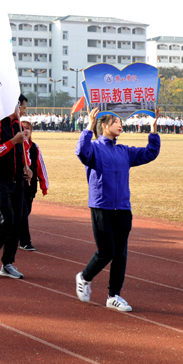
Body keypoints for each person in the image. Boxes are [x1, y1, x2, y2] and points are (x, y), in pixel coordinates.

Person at [74, 107, 160, 312]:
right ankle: (84, 277)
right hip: (101, 206)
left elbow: (150, 153)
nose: (120, 125)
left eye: (120, 122)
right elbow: (81, 152)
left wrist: (153, 130)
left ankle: (114, 296)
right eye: (115, 122)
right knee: (106, 252)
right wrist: (88, 126)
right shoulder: (94, 148)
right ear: (104, 126)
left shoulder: (125, 151)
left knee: (120, 254)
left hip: (122, 208)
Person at [0, 94, 30, 279]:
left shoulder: (18, 126)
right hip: (0, 179)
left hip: (17, 180)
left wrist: (27, 168)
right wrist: (12, 141)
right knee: (6, 220)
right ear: (15, 106)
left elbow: (22, 152)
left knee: (17, 223)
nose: (24, 112)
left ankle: (8, 263)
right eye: (23, 108)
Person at [18, 121, 49, 251]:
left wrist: (44, 185)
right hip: (17, 184)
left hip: (30, 186)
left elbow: (41, 167)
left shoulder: (35, 148)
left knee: (26, 210)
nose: (25, 131)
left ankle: (16, 234)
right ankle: (25, 241)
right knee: (22, 212)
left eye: (28, 129)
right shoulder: (16, 146)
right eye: (22, 128)